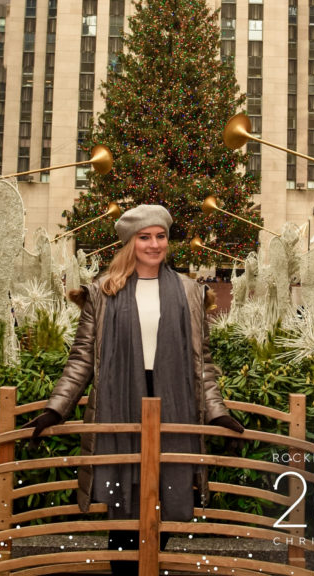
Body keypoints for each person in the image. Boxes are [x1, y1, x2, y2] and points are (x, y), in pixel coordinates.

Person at [26, 204, 243, 575]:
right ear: (130, 243)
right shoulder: (102, 293)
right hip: (120, 407)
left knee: (165, 502)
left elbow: (200, 364)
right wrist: (56, 409)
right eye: (145, 237)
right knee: (123, 512)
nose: (154, 244)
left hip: (173, 408)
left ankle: (150, 568)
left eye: (160, 236)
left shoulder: (191, 292)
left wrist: (218, 412)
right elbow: (82, 360)